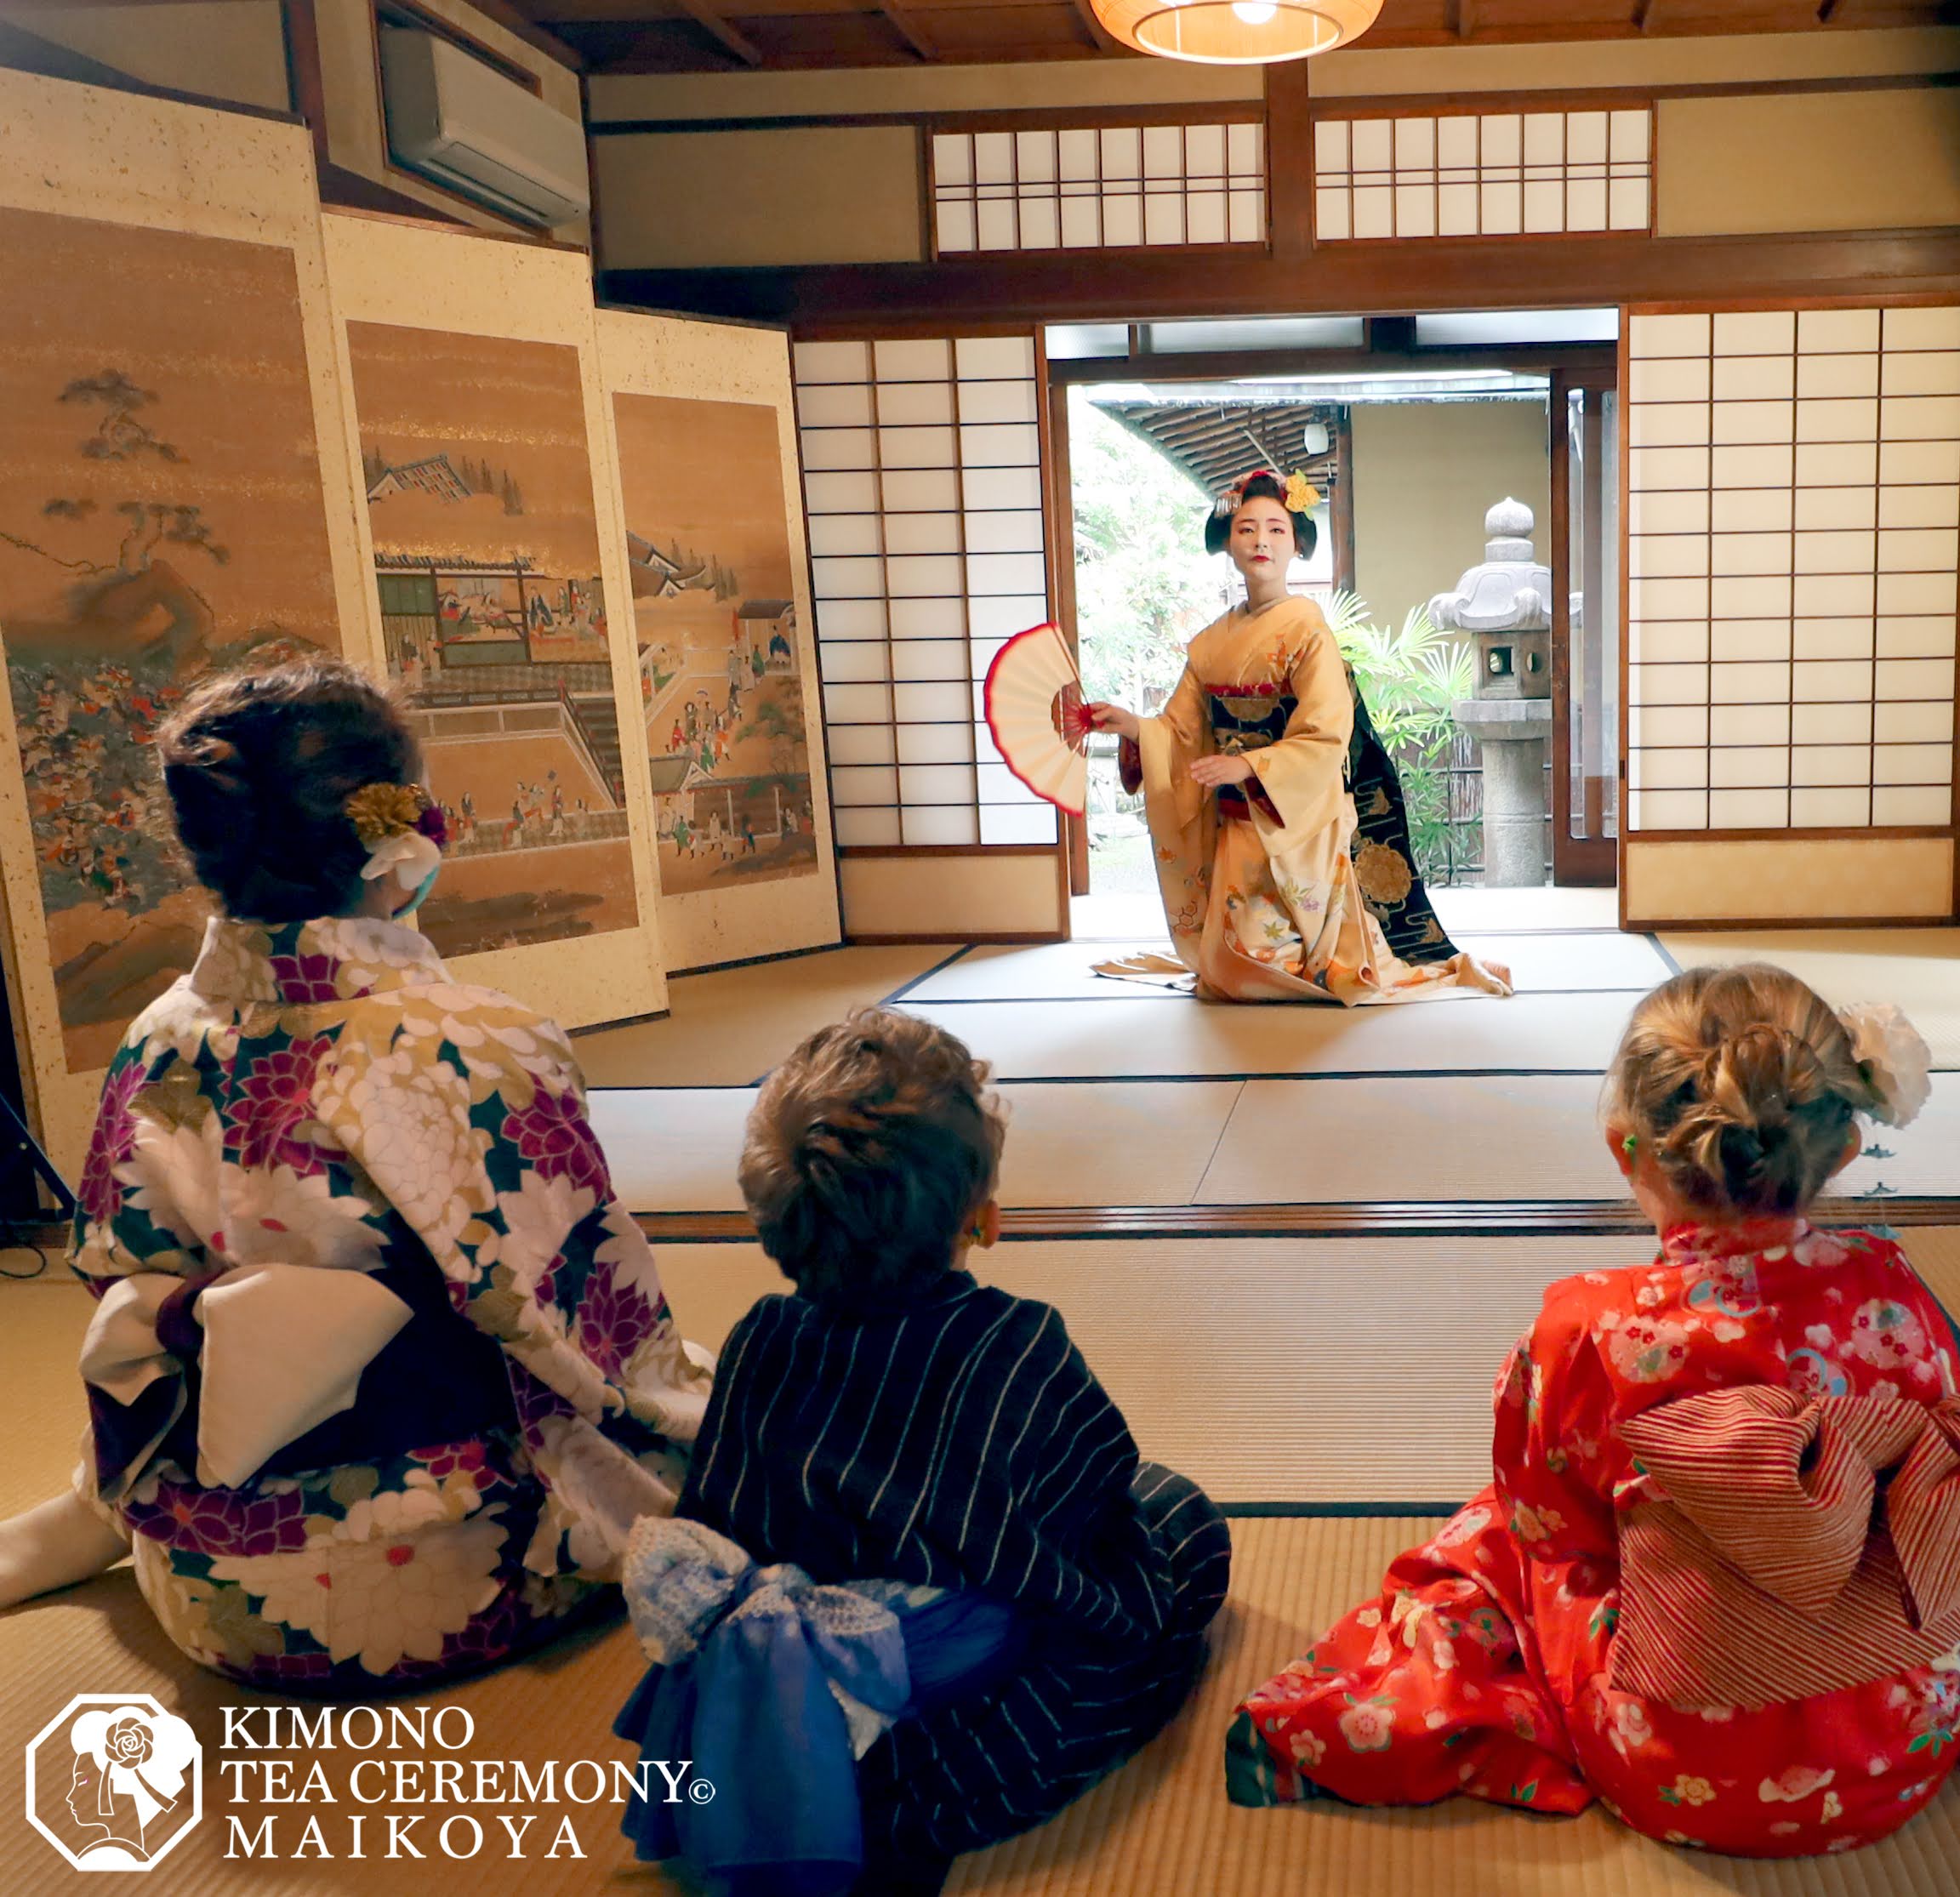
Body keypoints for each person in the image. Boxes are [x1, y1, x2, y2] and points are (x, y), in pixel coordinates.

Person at [1227, 966, 1960, 1855]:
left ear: (1626, 1147)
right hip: (1903, 1741)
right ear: (1843, 1150)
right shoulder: (1893, 1289)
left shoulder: (1591, 1324)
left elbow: (1554, 1525)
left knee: (1499, 1533)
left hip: (1678, 1760)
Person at [0, 659, 708, 1689]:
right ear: (395, 839)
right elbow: (580, 1319)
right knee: (688, 1384)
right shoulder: (480, 1042)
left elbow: (127, 1288)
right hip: (449, 1568)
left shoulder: (153, 1045)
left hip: (207, 1577)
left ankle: (91, 1512)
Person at [634, 1009, 1228, 1887]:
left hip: (760, 1735)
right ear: (980, 1215)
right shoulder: (1018, 1344)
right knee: (1181, 1518)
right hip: (963, 1751)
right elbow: (1098, 1516)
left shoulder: (760, 1338)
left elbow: (723, 1525)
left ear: (775, 1221)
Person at [1087, 468, 1511, 1004]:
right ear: (1228, 544)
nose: (1260, 540)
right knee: (1229, 966)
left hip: (1297, 816)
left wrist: (1250, 766)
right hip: (1237, 822)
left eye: (1275, 529)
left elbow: (1325, 729)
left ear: (1296, 545)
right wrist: (1131, 725)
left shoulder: (1308, 629)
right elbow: (1180, 731)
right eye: (1246, 529)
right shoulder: (1209, 643)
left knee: (1302, 966)